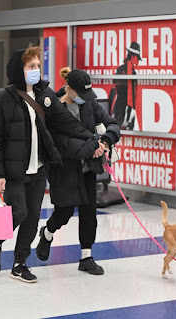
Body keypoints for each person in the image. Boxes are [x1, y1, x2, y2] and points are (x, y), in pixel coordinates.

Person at [0, 47, 94, 283]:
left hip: (38, 168)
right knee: (19, 212)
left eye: (37, 66)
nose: (36, 71)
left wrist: (90, 139)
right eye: (30, 67)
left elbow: (64, 122)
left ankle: (20, 263)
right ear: (18, 70)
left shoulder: (45, 95)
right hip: (13, 171)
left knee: (32, 218)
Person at [36, 69, 120, 274]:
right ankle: (47, 232)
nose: (85, 99)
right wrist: (91, 147)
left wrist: (106, 139)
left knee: (89, 212)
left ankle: (86, 256)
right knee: (64, 212)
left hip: (87, 169)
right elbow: (58, 142)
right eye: (81, 95)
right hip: (63, 168)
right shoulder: (54, 109)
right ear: (69, 89)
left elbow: (112, 124)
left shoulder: (90, 105)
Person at [110, 41, 141, 130]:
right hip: (120, 106)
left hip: (131, 107)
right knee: (118, 128)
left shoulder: (134, 73)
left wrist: (133, 107)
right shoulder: (120, 70)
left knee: (130, 128)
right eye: (137, 58)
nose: (138, 61)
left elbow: (134, 91)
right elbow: (114, 89)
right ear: (133, 56)